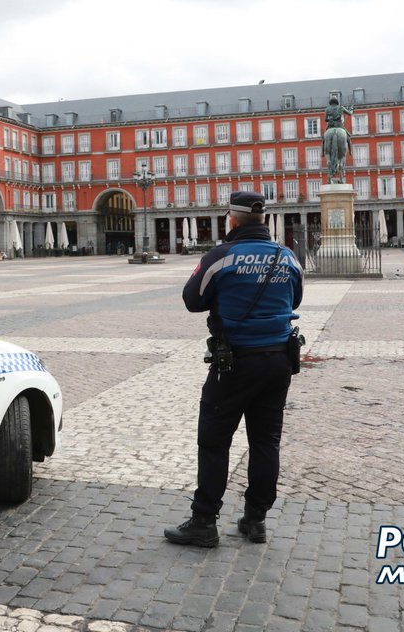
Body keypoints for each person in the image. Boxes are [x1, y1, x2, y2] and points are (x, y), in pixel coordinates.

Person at [166, 191, 304, 548]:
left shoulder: (221, 256)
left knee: (214, 441)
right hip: (278, 362)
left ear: (232, 219)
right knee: (265, 442)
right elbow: (296, 298)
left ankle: (203, 521)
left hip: (234, 363)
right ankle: (256, 520)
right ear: (262, 219)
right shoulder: (287, 257)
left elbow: (192, 300)